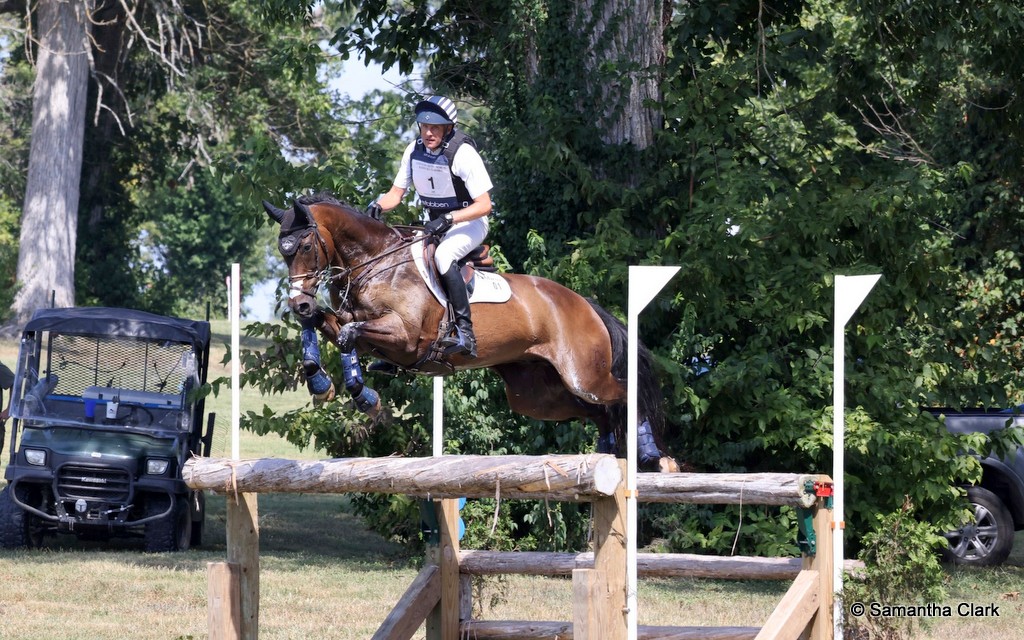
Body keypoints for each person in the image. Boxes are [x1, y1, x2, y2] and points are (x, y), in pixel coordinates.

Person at [365, 95, 493, 358]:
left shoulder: (462, 153)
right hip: (435, 226)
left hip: (470, 223)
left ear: (448, 128)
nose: (428, 132)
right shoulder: (413, 151)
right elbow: (395, 195)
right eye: (424, 127)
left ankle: (465, 333)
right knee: (400, 257)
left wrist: (450, 219)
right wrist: (378, 205)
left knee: (444, 257)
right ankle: (398, 343)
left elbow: (485, 205)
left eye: (435, 127)